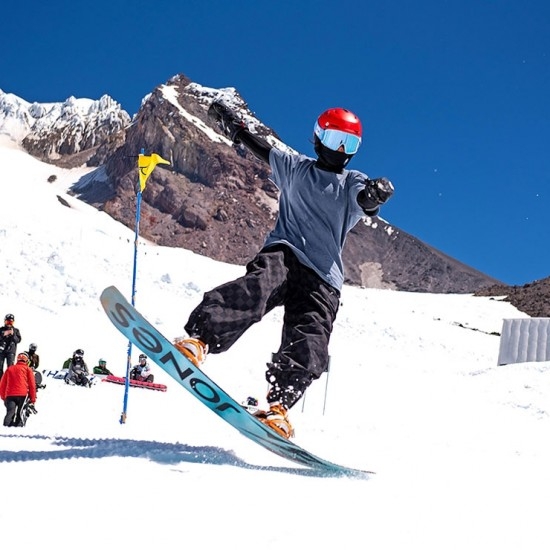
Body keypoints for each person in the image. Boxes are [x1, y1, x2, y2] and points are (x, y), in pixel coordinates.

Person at [174, 101, 394, 439]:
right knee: (256, 289)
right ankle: (199, 340)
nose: (339, 150)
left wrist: (375, 194)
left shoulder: (352, 181)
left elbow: (365, 200)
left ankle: (278, 407)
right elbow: (262, 149)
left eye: (348, 144)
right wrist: (235, 127)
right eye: (335, 139)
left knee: (310, 339)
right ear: (318, 138)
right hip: (285, 254)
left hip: (324, 278)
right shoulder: (295, 167)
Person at [0, 352, 37, 427]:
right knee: (20, 413)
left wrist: (3, 397)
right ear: (27, 361)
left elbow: (2, 384)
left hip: (10, 395)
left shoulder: (9, 369)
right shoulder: (28, 369)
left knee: (10, 412)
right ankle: (19, 427)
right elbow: (32, 385)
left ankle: (5, 428)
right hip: (23, 395)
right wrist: (33, 399)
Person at [0, 314, 22, 379]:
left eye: (11, 322)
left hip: (11, 352)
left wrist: (13, 335)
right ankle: (1, 380)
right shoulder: (1, 330)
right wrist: (3, 334)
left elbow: (18, 340)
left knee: (11, 367)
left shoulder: (16, 331)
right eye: (7, 322)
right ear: (5, 321)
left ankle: (9, 380)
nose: (9, 324)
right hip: (1, 351)